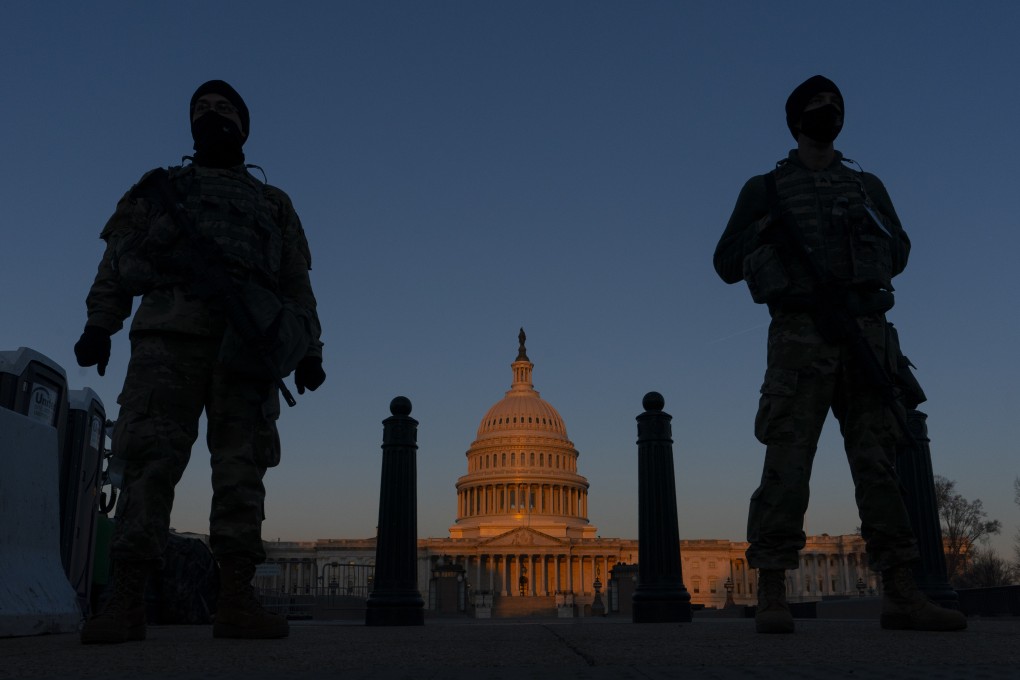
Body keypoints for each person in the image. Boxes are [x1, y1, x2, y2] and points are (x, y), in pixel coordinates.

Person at [74, 80, 326, 643]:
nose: (211, 117)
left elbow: (296, 285)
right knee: (147, 466)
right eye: (201, 110)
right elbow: (115, 266)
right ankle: (126, 598)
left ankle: (236, 597)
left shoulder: (273, 203)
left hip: (246, 344)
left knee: (242, 472)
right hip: (169, 338)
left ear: (243, 125)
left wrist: (309, 350)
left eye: (223, 109)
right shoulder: (159, 190)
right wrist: (98, 326)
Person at [713, 75, 965, 634]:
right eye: (818, 105)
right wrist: (768, 227)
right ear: (795, 119)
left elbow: (898, 252)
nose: (829, 112)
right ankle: (773, 591)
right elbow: (726, 262)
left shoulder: (866, 184)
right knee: (787, 465)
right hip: (800, 336)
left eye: (837, 105)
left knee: (878, 464)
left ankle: (901, 592)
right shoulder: (766, 189)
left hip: (865, 333)